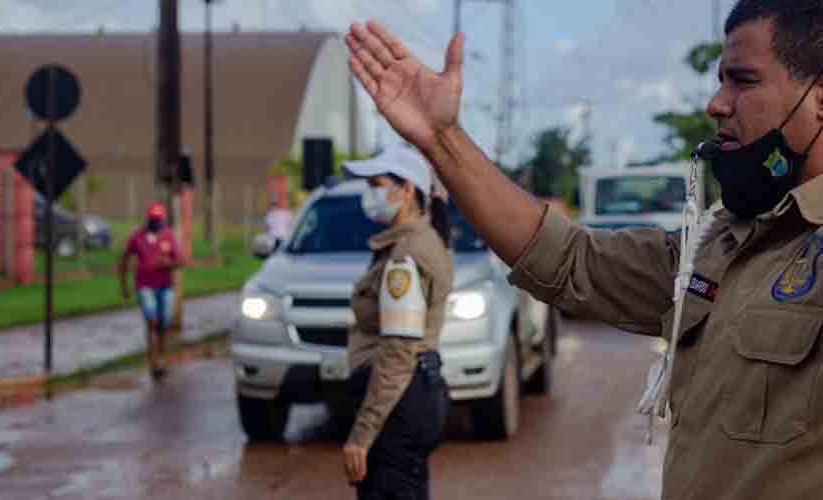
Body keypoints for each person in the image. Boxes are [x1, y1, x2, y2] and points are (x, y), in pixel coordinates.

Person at [346, 1, 823, 499]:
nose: (717, 103)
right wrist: (442, 140)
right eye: (720, 80)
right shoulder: (721, 244)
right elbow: (569, 257)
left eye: (743, 81)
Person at [341, 145, 453, 499]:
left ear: (406, 191)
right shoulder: (412, 243)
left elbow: (398, 351)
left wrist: (363, 433)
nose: (369, 194)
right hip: (409, 396)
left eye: (376, 184)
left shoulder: (406, 255)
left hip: (398, 404)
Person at [119, 202, 185, 379]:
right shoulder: (137, 237)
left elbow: (181, 260)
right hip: (144, 286)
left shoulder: (168, 236)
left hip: (165, 287)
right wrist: (124, 286)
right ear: (148, 218)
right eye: (152, 219)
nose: (155, 223)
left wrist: (168, 264)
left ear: (162, 220)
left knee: (163, 323)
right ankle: (154, 361)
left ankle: (161, 355)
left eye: (158, 219)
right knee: (151, 321)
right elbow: (124, 261)